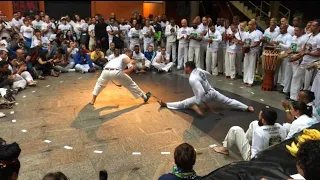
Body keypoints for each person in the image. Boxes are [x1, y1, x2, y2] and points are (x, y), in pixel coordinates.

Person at [158, 61, 254, 116]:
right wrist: (210, 85)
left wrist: (197, 103)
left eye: (185, 67)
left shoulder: (192, 78)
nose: (184, 69)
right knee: (228, 100)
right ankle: (246, 107)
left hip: (205, 95)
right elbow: (208, 75)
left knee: (185, 103)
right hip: (212, 91)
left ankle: (166, 104)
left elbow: (201, 91)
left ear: (188, 68)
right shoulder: (199, 70)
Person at [213, 108, 286, 160]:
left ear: (263, 120)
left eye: (260, 117)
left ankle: (224, 149)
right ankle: (244, 142)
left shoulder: (259, 132)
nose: (258, 118)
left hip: (257, 160)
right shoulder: (281, 127)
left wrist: (251, 148)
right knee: (254, 123)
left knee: (235, 129)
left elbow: (255, 156)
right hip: (274, 156)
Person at [290, 19, 320, 101]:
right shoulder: (309, 36)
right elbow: (304, 49)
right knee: (296, 76)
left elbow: (318, 53)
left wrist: (307, 53)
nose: (311, 27)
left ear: (318, 27)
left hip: (312, 63)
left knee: (307, 83)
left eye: (314, 26)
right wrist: (296, 54)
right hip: (304, 61)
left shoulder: (319, 37)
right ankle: (293, 97)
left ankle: (304, 101)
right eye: (311, 25)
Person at [283, 24, 309, 98]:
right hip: (291, 58)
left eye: (297, 30)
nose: (295, 32)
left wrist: (294, 54)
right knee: (289, 75)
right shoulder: (294, 37)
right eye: (294, 30)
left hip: (298, 59)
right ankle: (289, 92)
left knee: (296, 77)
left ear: (301, 31)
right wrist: (287, 53)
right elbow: (292, 47)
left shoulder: (305, 38)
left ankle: (295, 96)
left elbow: (303, 51)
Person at [242, 20, 260, 87]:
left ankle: (250, 81)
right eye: (248, 24)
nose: (249, 26)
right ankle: (245, 80)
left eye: (250, 24)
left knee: (251, 66)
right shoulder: (246, 33)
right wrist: (243, 49)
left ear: (254, 26)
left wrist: (249, 46)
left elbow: (257, 43)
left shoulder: (256, 33)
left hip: (252, 51)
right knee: (245, 65)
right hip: (246, 51)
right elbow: (244, 42)